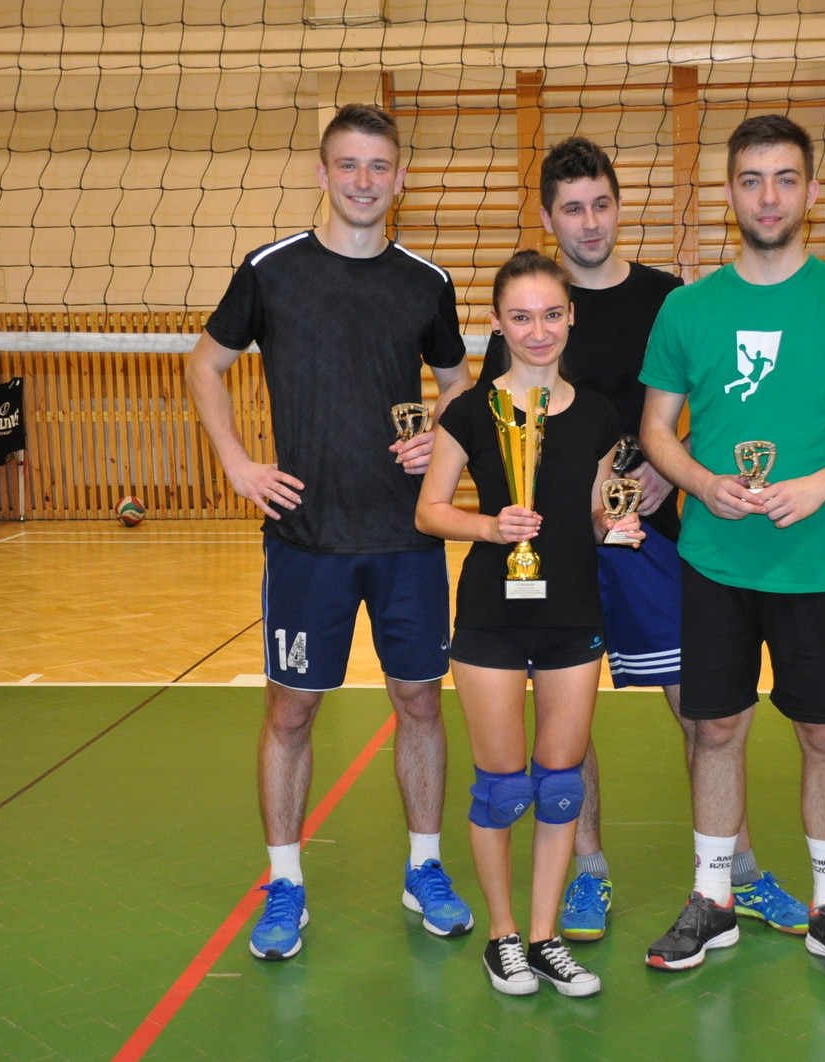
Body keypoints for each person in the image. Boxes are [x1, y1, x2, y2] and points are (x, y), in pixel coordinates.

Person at [479, 137, 810, 943]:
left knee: (704, 712)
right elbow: (501, 426)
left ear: (619, 206)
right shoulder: (534, 313)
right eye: (572, 209)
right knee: (566, 725)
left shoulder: (672, 299)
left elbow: (721, 399)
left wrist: (676, 463)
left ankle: (738, 869)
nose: (589, 223)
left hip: (654, 541)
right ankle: (587, 870)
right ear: (549, 218)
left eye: (601, 204)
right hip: (561, 549)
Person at [185, 103, 475, 961]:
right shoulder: (271, 271)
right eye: (347, 164)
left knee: (420, 702)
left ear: (400, 178)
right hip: (305, 538)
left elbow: (460, 383)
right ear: (322, 173)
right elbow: (205, 363)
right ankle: (285, 882)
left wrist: (438, 432)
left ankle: (425, 868)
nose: (362, 180)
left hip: (406, 535)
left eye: (378, 165)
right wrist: (237, 463)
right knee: (292, 709)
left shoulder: (425, 281)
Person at [637, 115, 825, 984]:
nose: (768, 196)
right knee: (715, 727)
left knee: (823, 733)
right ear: (729, 192)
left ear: (812, 191)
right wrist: (699, 480)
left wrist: (821, 484)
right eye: (752, 179)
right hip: (715, 558)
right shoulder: (688, 309)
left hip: (816, 562)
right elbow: (656, 430)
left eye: (786, 178)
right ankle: (713, 897)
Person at [417, 250, 642, 997]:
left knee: (560, 787)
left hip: (572, 615)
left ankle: (544, 939)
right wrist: (490, 528)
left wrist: (616, 525)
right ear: (497, 324)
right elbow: (429, 510)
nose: (538, 330)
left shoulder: (601, 415)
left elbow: (595, 512)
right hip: (490, 616)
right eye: (521, 317)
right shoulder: (468, 410)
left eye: (551, 314)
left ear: (571, 316)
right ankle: (503, 937)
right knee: (502, 789)